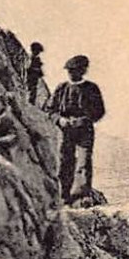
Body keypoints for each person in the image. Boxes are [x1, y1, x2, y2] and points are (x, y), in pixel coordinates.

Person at [45, 55, 106, 202]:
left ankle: (82, 196)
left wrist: (85, 120)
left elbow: (99, 111)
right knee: (65, 160)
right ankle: (64, 195)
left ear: (83, 71)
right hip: (65, 130)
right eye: (70, 71)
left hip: (84, 130)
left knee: (84, 162)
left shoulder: (92, 88)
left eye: (76, 71)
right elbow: (49, 109)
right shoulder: (61, 88)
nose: (72, 74)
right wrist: (60, 120)